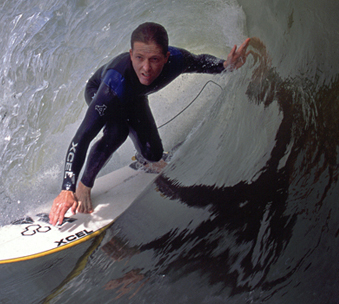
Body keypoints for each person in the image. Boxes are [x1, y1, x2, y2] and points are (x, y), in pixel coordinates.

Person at [48, 22, 251, 226]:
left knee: (153, 155)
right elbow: (82, 137)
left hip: (134, 96)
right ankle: (84, 185)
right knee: (118, 131)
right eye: (139, 58)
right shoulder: (113, 84)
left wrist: (225, 65)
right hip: (103, 90)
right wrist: (67, 187)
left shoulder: (178, 60)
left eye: (154, 60)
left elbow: (200, 62)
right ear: (130, 54)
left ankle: (143, 159)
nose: (146, 68)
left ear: (166, 57)